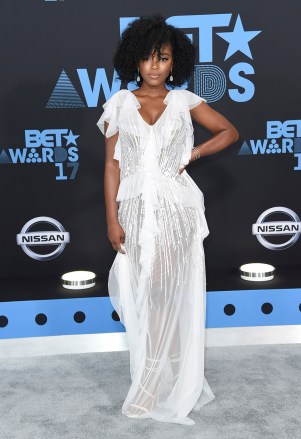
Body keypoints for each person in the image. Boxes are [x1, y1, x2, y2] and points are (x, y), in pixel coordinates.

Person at [97, 14, 239, 425]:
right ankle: (160, 377)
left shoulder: (184, 102)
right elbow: (111, 168)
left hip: (178, 212)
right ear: (134, 62)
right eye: (147, 58)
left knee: (166, 294)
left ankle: (148, 387)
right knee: (147, 295)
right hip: (136, 211)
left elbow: (229, 132)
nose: (155, 65)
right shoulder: (120, 104)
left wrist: (192, 155)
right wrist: (112, 219)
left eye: (163, 57)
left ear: (174, 62)